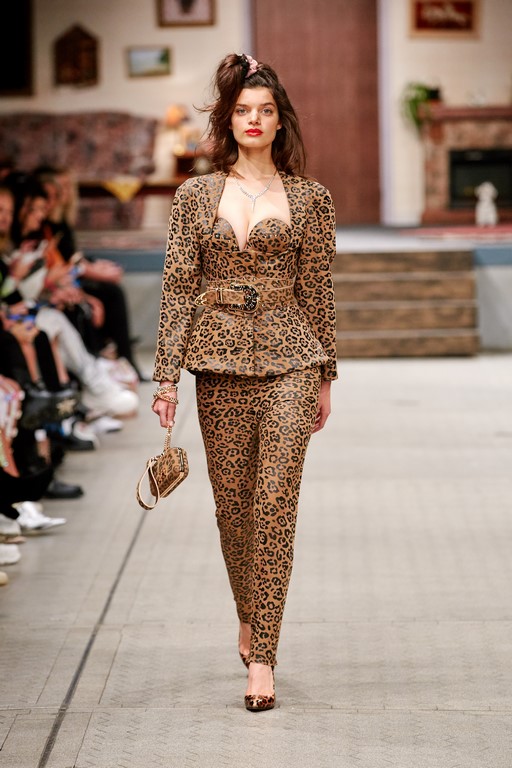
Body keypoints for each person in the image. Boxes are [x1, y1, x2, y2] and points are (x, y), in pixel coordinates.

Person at [152, 53, 337, 712]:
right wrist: (165, 377)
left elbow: (319, 291)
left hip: (292, 358)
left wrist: (326, 375)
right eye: (243, 111)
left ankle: (264, 658)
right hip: (218, 363)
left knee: (275, 503)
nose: (254, 120)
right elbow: (178, 286)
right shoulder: (195, 196)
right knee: (233, 509)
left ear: (280, 121)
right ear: (228, 121)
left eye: (265, 111)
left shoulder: (311, 199)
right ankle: (248, 613)